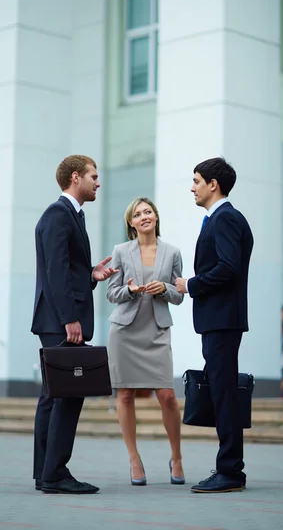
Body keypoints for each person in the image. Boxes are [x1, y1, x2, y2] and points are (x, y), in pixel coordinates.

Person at [31, 155, 117, 495]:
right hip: (61, 320)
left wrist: (91, 275)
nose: (98, 182)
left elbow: (66, 268)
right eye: (94, 176)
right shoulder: (58, 214)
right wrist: (70, 318)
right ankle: (55, 474)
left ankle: (46, 472)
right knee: (67, 396)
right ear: (76, 177)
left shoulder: (71, 216)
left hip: (59, 318)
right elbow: (54, 271)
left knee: (53, 397)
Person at [176, 157, 254, 494]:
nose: (192, 187)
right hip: (219, 319)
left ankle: (230, 471)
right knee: (222, 393)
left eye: (196, 180)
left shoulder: (225, 218)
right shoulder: (220, 218)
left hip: (222, 319)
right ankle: (229, 468)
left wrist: (190, 285)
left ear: (213, 185)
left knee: (224, 395)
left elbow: (228, 268)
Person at [106, 197, 185, 486]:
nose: (144, 217)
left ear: (155, 216)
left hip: (157, 329)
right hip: (125, 330)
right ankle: (134, 459)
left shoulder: (173, 252)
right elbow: (111, 293)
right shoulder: (121, 251)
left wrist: (164, 288)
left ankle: (176, 457)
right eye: (137, 214)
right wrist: (129, 290)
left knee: (167, 396)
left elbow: (178, 295)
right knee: (125, 396)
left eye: (147, 211)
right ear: (131, 222)